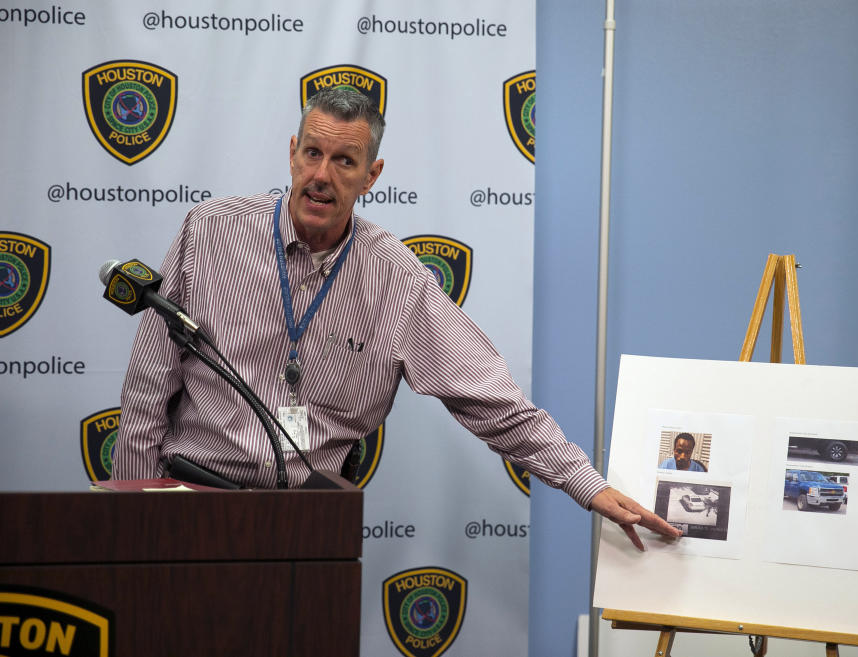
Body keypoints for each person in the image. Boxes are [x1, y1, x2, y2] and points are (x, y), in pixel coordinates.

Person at [113, 86, 680, 549]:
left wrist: (588, 486)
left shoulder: (396, 277)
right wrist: (127, 519)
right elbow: (147, 387)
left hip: (304, 521)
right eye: (312, 153)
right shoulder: (211, 231)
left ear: (371, 174)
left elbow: (493, 400)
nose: (321, 176)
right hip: (189, 498)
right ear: (292, 152)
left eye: (344, 161)